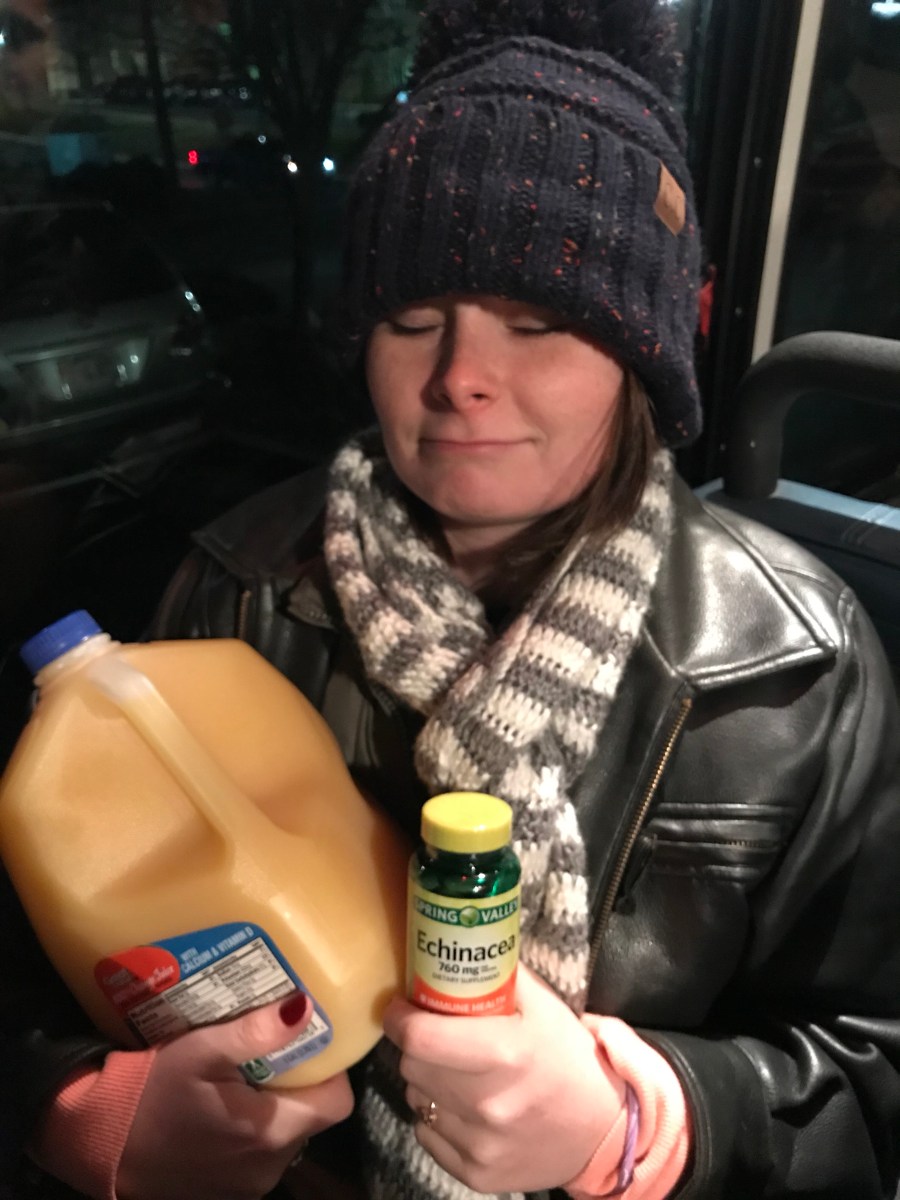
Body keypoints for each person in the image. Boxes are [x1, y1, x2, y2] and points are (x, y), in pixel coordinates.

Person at [3, 1, 900, 1198]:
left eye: (539, 322)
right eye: (412, 319)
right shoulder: (239, 590)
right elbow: (58, 959)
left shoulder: (792, 662)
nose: (463, 376)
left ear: (641, 352)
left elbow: (874, 1072)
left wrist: (643, 1126)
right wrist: (94, 1112)